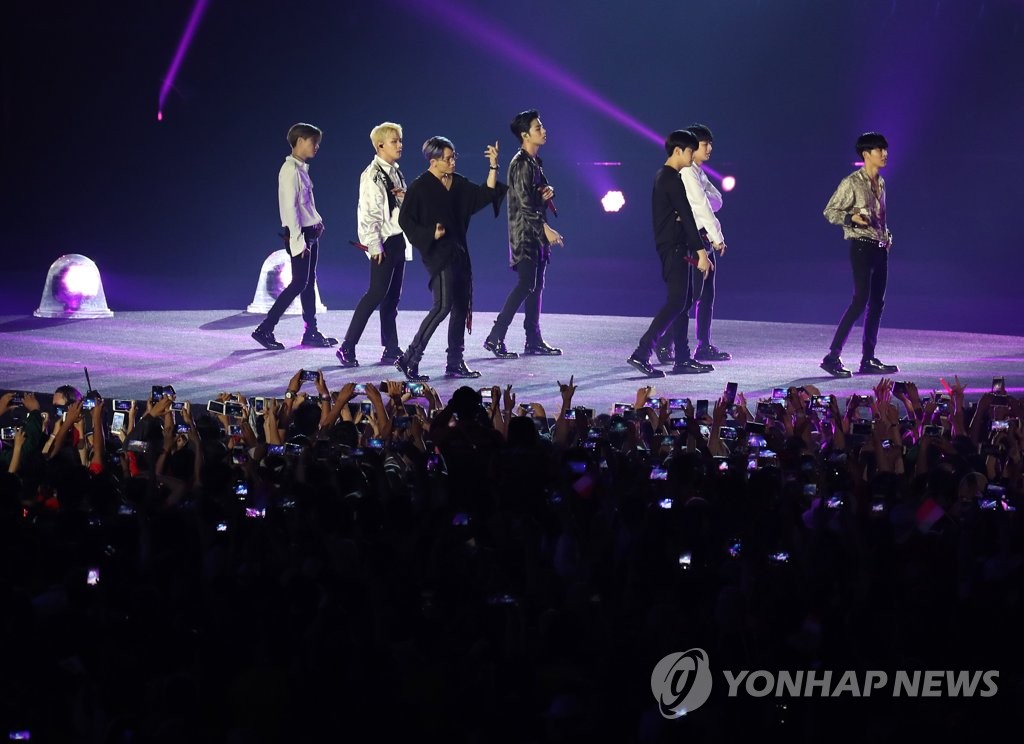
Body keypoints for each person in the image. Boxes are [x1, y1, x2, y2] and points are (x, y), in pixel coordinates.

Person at [394, 136, 508, 381]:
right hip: (438, 253)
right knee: (442, 306)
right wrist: (430, 233)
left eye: (454, 157)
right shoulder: (420, 187)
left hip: (459, 252)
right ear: (433, 161)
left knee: (460, 307)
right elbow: (405, 220)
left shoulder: (457, 183)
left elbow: (484, 194)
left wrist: (493, 166)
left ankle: (455, 362)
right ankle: (409, 358)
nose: (453, 162)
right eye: (448, 158)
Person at [627, 130, 713, 378]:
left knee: (682, 303)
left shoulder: (667, 177)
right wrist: (702, 253)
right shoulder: (670, 179)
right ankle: (642, 352)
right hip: (674, 248)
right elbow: (687, 216)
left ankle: (682, 358)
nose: (692, 156)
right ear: (678, 151)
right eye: (690, 151)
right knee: (677, 302)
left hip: (677, 246)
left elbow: (683, 218)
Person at [483, 109, 564, 360]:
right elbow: (524, 205)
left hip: (534, 233)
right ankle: (496, 336)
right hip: (525, 233)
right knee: (526, 284)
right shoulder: (520, 164)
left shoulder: (533, 162)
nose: (544, 131)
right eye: (538, 128)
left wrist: (547, 191)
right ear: (525, 135)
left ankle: (533, 339)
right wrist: (546, 229)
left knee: (536, 286)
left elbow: (535, 193)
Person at [252, 122, 336, 351]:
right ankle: (265, 328)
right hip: (300, 236)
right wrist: (299, 241)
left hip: (310, 233)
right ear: (300, 141)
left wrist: (317, 221)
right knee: (299, 283)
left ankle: (311, 332)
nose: (317, 146)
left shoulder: (300, 169)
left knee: (308, 283)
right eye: (313, 142)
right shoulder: (289, 170)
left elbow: (305, 205)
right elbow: (290, 209)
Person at [820, 132, 898, 377]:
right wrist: (850, 218)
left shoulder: (881, 183)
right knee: (860, 301)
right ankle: (832, 356)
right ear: (866, 154)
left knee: (877, 304)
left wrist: (887, 235)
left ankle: (868, 359)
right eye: (879, 150)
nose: (884, 154)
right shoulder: (852, 182)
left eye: (885, 149)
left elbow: (880, 217)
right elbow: (829, 211)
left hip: (880, 249)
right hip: (861, 247)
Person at [336, 122, 412, 368]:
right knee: (376, 294)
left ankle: (391, 348)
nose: (400, 145)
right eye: (394, 141)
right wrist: (374, 244)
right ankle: (347, 346)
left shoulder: (395, 171)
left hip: (398, 238)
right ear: (380, 145)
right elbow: (368, 212)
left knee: (392, 298)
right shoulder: (372, 175)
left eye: (400, 140)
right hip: (384, 241)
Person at [673, 122, 731, 363]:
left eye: (710, 144)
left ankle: (703, 345)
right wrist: (718, 238)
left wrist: (714, 236)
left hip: (703, 237)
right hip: (693, 239)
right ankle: (665, 344)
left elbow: (717, 201)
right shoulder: (687, 172)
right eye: (705, 144)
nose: (709, 149)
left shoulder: (698, 172)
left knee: (705, 294)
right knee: (690, 295)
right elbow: (702, 207)